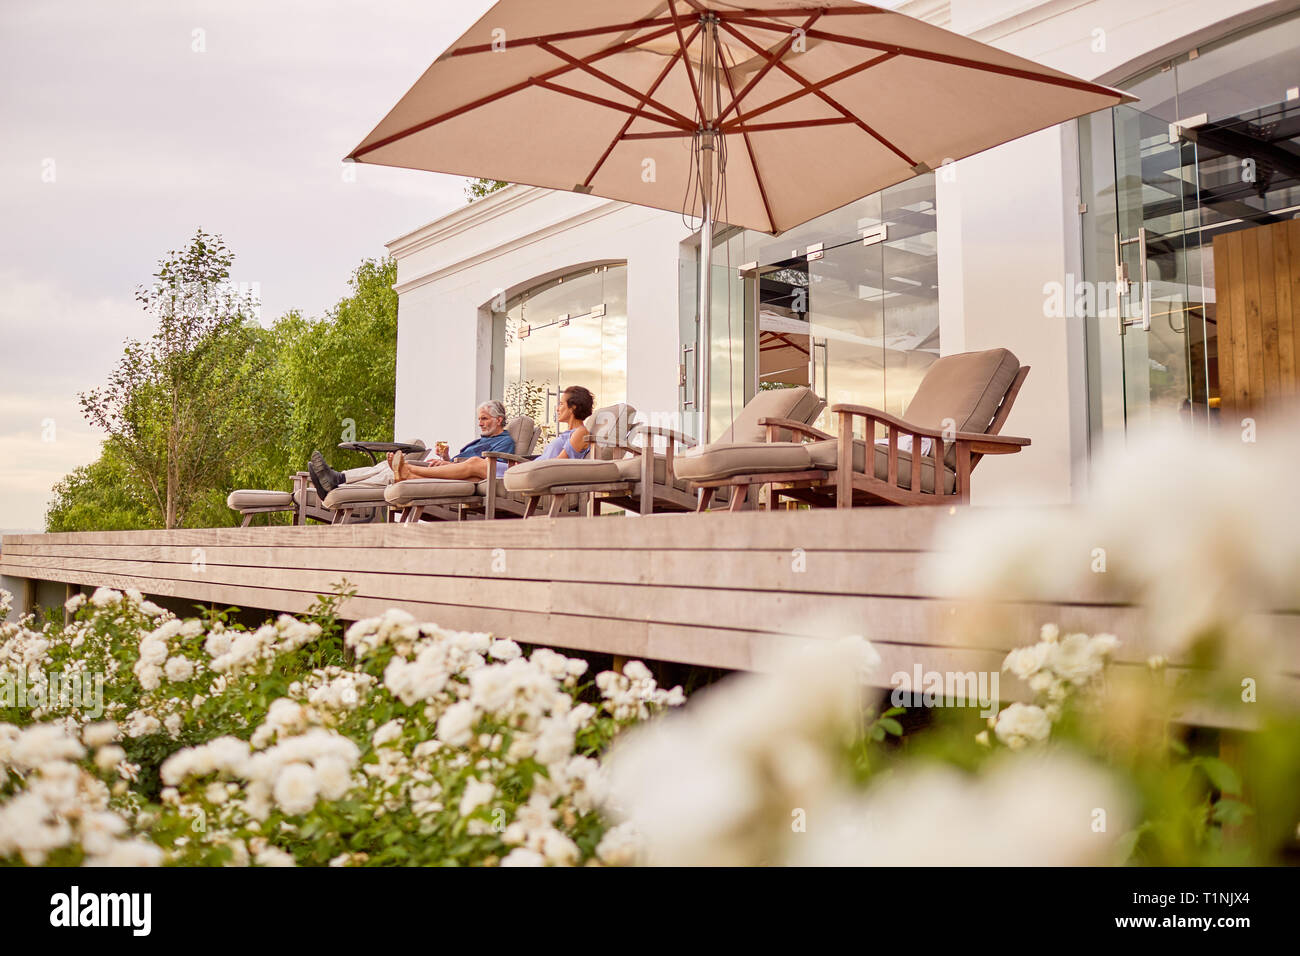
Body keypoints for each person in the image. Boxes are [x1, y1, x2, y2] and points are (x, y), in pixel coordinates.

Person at [307, 400, 515, 498]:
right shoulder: (479, 441)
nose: (480, 423)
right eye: (479, 419)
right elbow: (464, 465)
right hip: (447, 469)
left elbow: (477, 467)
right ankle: (339, 479)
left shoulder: (504, 443)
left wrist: (448, 463)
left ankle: (337, 486)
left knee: (394, 472)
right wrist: (447, 458)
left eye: (485, 419)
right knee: (385, 466)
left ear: (499, 420)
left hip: (457, 476)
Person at [392, 386, 595, 482]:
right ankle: (409, 475)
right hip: (528, 469)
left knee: (474, 463)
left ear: (574, 407)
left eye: (560, 404)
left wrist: (522, 465)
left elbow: (556, 465)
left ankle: (409, 469)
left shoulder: (580, 432)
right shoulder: (566, 434)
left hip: (533, 475)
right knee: (471, 474)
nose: (557, 408)